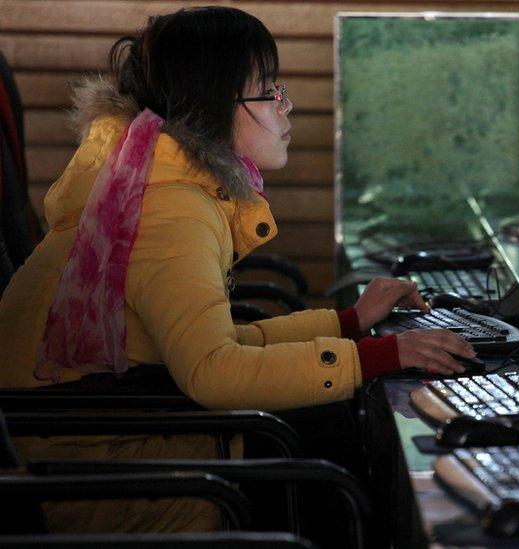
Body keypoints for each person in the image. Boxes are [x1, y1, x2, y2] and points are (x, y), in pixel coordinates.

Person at [0, 5, 472, 536]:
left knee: (335, 424)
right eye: (270, 92)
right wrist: (379, 355)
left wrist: (349, 323)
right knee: (337, 452)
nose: (287, 107)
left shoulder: (150, 180)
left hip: (111, 428)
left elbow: (210, 345)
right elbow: (214, 372)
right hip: (96, 469)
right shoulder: (169, 206)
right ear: (216, 103)